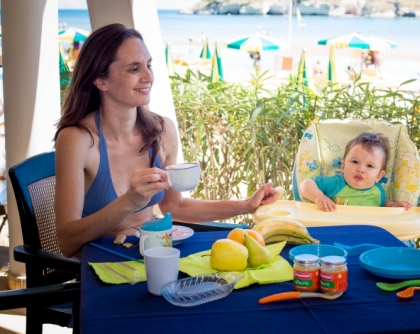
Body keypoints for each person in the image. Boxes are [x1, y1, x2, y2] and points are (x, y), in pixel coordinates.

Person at [53, 24, 278, 258]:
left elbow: (174, 207)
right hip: (103, 268)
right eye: (134, 69)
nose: (148, 77)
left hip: (153, 256)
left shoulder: (162, 131)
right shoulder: (78, 140)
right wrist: (129, 201)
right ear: (101, 81)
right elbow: (67, 243)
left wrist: (245, 205)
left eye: (148, 65)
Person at [299, 132, 413, 212]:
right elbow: (306, 184)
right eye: (355, 162)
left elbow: (384, 202)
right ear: (343, 166)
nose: (360, 169)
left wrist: (394, 205)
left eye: (369, 166)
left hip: (366, 234)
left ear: (379, 176)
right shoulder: (336, 183)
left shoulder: (378, 191)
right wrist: (319, 197)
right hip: (335, 231)